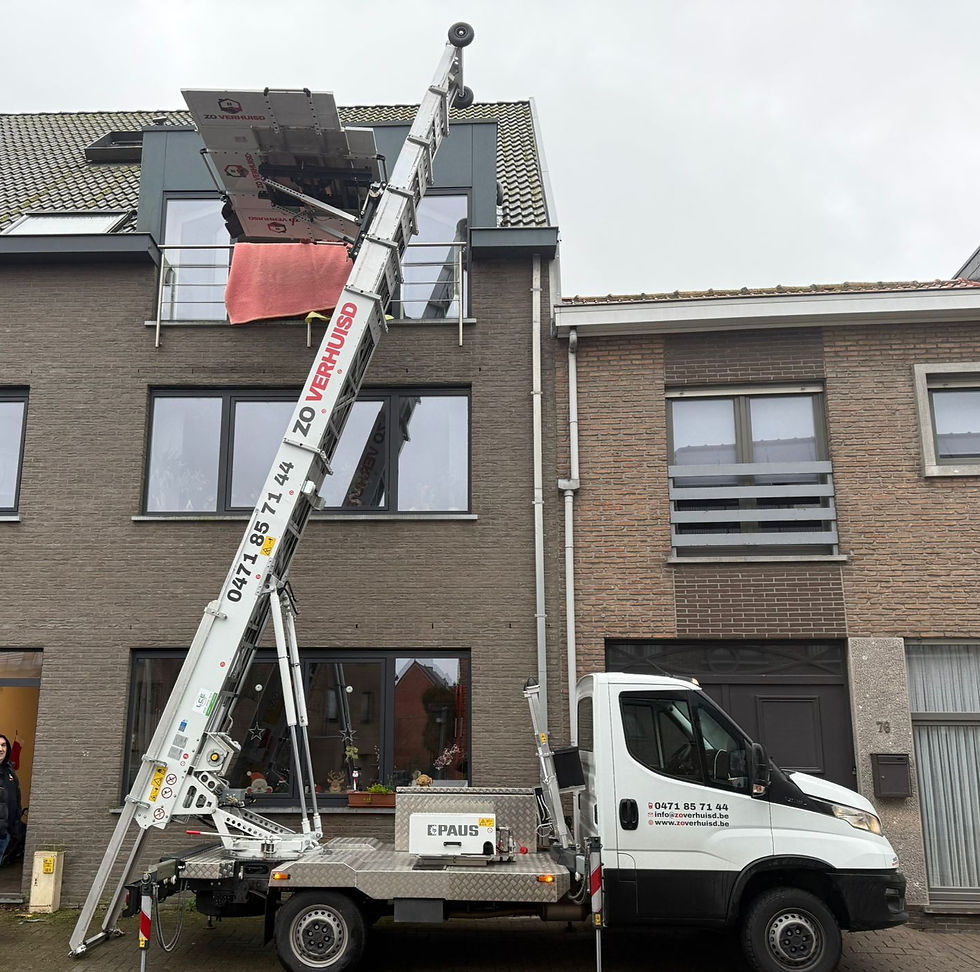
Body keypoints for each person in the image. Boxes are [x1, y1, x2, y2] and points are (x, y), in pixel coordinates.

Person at [0, 734, 22, 865]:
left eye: (3, 745)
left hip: (4, 834)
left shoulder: (10, 773)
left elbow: (16, 800)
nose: (1, 749)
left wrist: (15, 828)